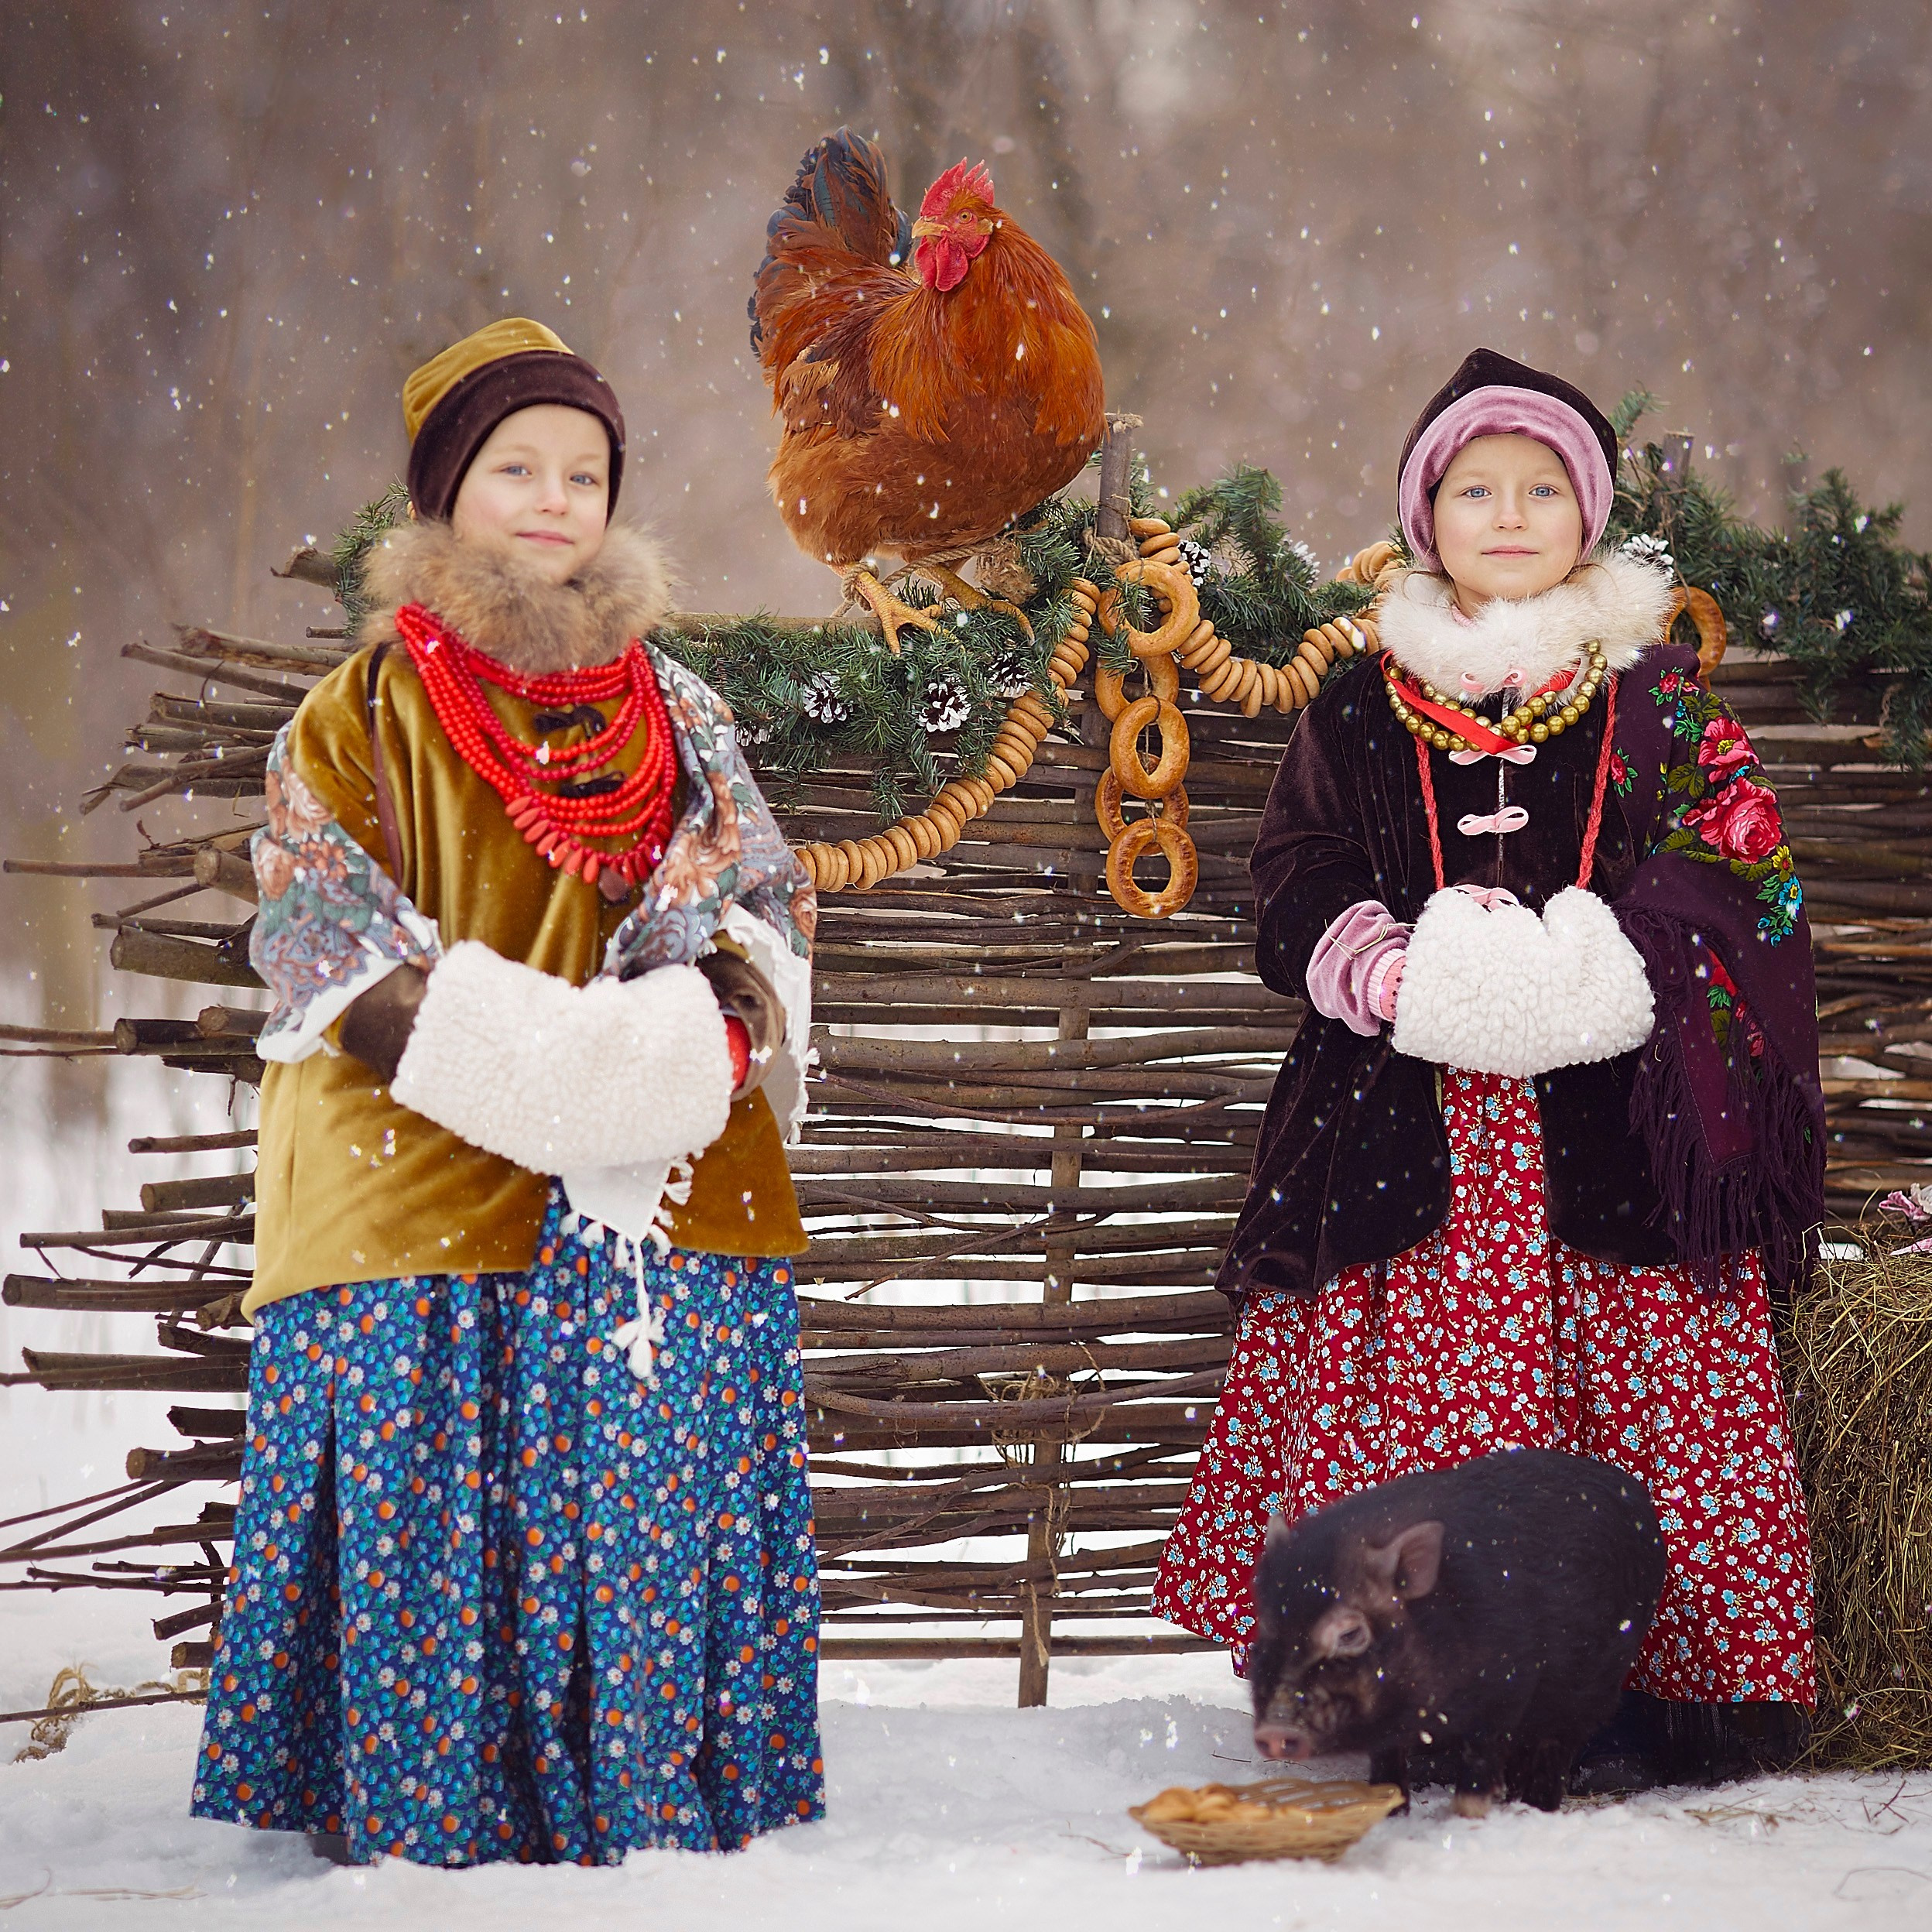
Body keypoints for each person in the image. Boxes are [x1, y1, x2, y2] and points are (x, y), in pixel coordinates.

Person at [192, 318, 825, 1865]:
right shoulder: (356, 717)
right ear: (443, 496)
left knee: (642, 1487)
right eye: (516, 469)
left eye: (586, 473)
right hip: (423, 1152)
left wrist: (688, 1038)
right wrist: (510, 1064)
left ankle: (648, 1792)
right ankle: (436, 1808)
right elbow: (321, 928)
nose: (555, 500)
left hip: (652, 1165)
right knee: (444, 1506)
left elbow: (745, 891)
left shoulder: (676, 708)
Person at [1153, 348, 1822, 1788]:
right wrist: (1382, 967)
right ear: (1425, 514)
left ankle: (1666, 1688)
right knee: (1418, 1409)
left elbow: (1746, 870)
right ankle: (1388, 1694)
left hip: (1617, 1128)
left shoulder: (1662, 707)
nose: (1507, 515)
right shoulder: (1359, 703)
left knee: (1645, 1379)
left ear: (1587, 516)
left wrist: (1622, 961)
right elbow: (1294, 871)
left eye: (1540, 489)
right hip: (1406, 1127)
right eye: (1474, 488)